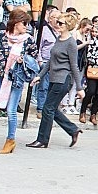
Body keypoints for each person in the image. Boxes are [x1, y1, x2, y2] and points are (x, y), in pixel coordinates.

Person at [27, 12, 84, 149]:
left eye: (60, 23)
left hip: (63, 80)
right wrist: (39, 76)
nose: (57, 24)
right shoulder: (59, 39)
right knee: (51, 108)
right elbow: (50, 61)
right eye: (57, 22)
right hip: (54, 78)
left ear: (68, 25)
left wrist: (80, 88)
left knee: (48, 108)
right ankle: (73, 130)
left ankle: (42, 140)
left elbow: (74, 65)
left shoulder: (71, 43)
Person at [0, 9, 38, 153]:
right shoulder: (0, 36)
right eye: (24, 23)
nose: (26, 26)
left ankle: (10, 140)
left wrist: (24, 61)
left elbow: (35, 59)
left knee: (11, 110)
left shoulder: (28, 39)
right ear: (15, 22)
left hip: (16, 80)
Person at [35, 9, 60, 118]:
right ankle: (40, 108)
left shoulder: (60, 32)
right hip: (45, 61)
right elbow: (38, 46)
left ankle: (49, 108)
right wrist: (40, 61)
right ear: (50, 19)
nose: (59, 21)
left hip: (57, 64)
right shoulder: (44, 30)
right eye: (56, 18)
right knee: (44, 86)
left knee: (53, 88)